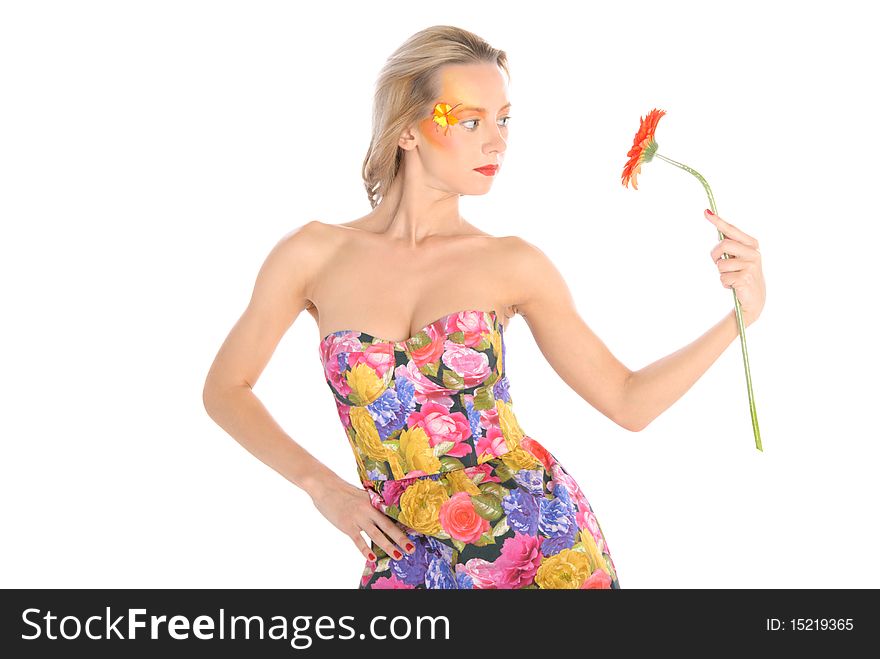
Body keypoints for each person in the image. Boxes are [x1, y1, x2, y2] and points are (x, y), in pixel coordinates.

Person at [202, 25, 766, 589]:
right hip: (406, 556)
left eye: (503, 120)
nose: (496, 142)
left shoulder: (512, 264)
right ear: (406, 131)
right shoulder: (312, 253)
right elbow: (226, 389)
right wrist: (323, 487)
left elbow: (627, 401)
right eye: (471, 122)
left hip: (542, 551)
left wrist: (741, 315)